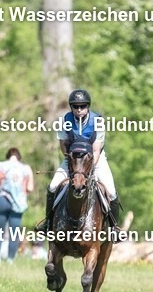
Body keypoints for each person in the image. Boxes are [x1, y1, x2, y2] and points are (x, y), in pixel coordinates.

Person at [38, 88, 121, 232]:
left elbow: (96, 149)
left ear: (88, 106)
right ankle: (48, 223)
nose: (79, 109)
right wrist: (73, 165)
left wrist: (87, 170)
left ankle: (114, 228)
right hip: (72, 160)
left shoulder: (98, 121)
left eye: (82, 106)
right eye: (75, 106)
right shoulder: (64, 121)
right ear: (71, 107)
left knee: (112, 192)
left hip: (95, 159)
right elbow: (63, 146)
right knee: (52, 187)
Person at [0, 147, 34, 262]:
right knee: (14, 233)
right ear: (19, 157)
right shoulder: (26, 168)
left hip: (2, 200)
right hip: (18, 204)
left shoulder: (0, 165)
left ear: (8, 156)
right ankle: (10, 260)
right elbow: (30, 187)